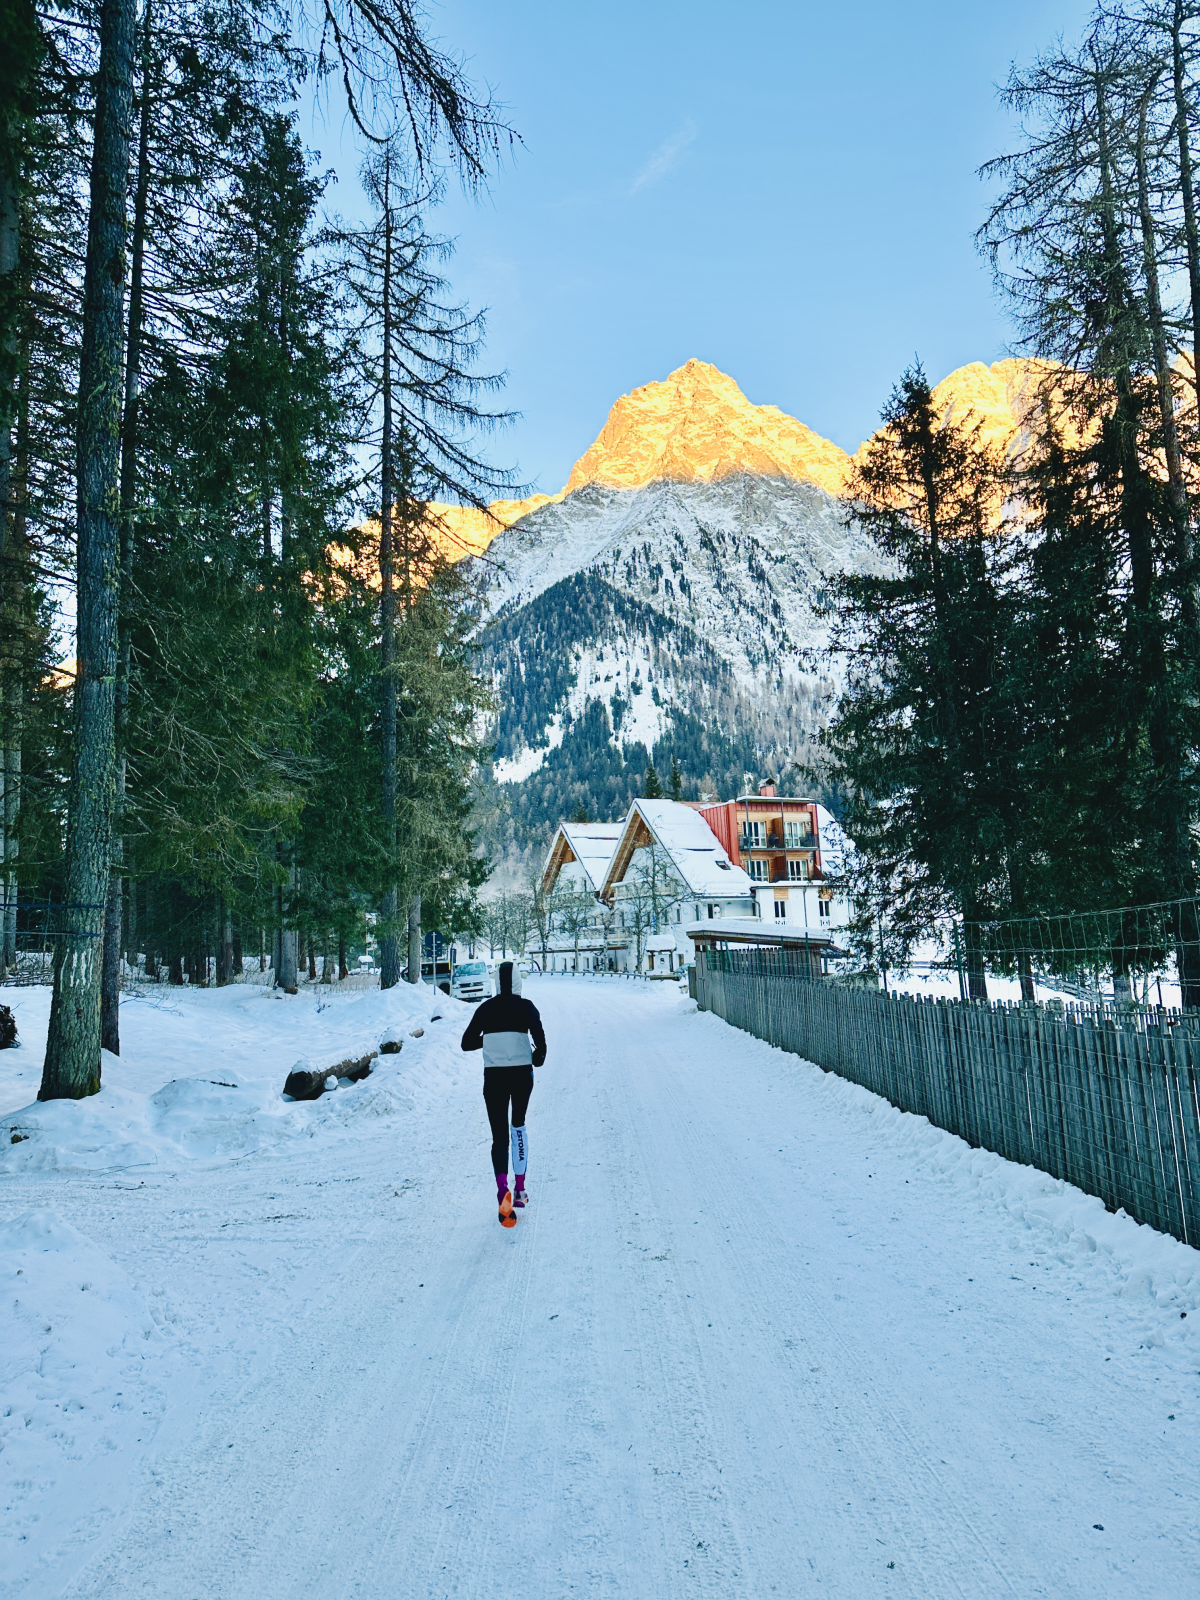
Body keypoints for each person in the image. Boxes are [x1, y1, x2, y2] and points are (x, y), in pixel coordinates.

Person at [461, 961, 546, 1227]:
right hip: (521, 1075)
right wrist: (535, 1054)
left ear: (497, 982)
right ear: (519, 981)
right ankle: (519, 1189)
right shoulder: (527, 1007)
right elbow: (541, 1047)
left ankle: (502, 1187)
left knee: (499, 1136)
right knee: (517, 1126)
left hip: (494, 1077)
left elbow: (466, 1043)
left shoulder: (485, 1009)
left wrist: (491, 1038)